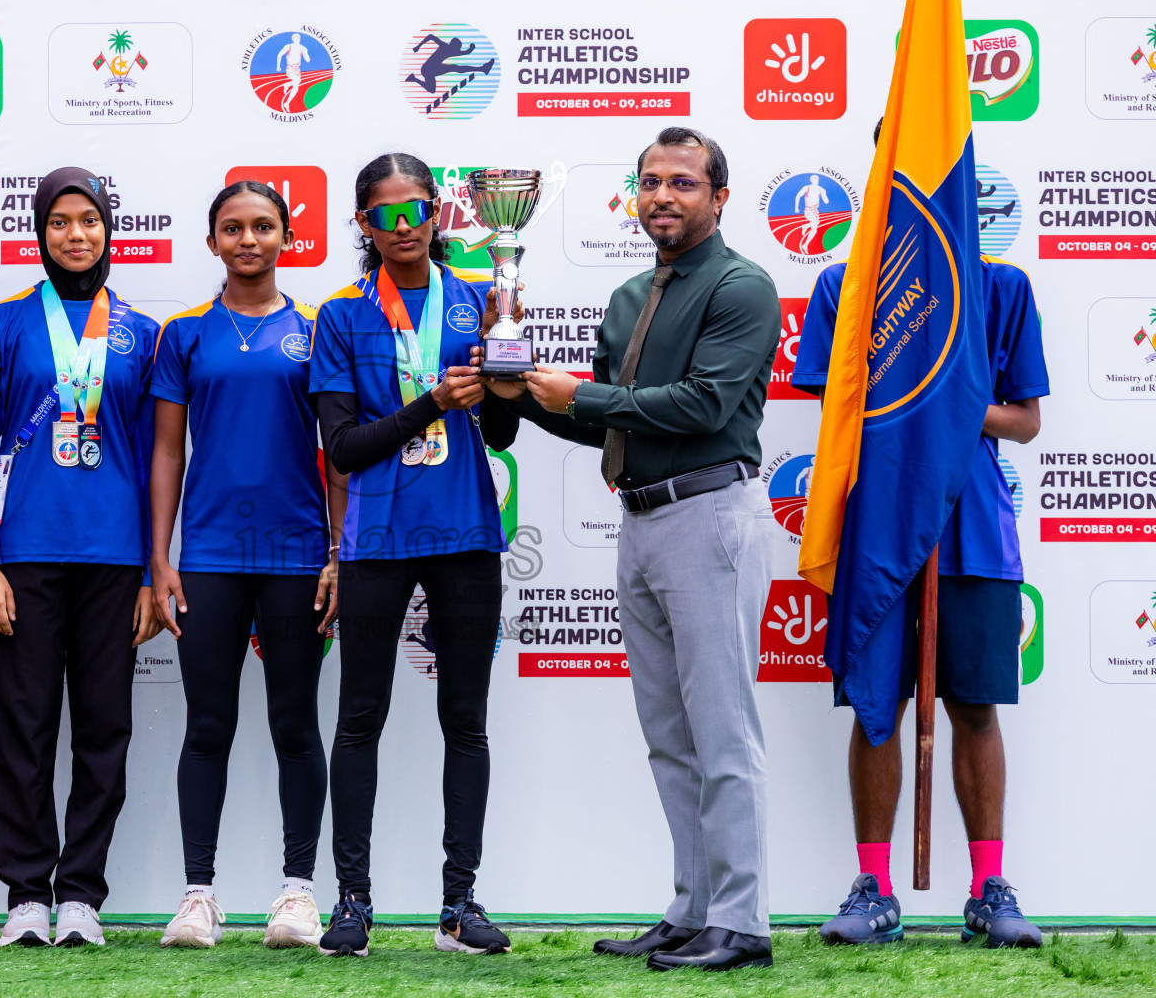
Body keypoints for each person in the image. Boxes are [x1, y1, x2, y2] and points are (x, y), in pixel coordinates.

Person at [507, 127, 781, 971]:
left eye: (683, 183)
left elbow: (700, 406)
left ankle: (742, 923)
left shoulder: (744, 286)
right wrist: (515, 387)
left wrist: (580, 394)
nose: (663, 196)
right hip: (642, 522)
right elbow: (606, 420)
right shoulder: (628, 297)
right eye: (650, 183)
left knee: (724, 732)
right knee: (670, 732)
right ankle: (693, 909)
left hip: (710, 516)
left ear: (719, 197)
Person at [796, 121, 1049, 951]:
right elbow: (831, 411)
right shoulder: (845, 284)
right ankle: (873, 888)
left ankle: (988, 889)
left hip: (972, 530)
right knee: (878, 711)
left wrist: (948, 400)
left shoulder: (1003, 287)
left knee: (974, 708)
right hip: (876, 529)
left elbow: (1023, 420)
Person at [309, 153, 521, 958]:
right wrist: (429, 399)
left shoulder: (478, 302)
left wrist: (504, 373)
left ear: (440, 214)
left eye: (417, 211)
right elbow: (343, 451)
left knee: (465, 720)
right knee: (359, 717)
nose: (404, 227)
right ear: (363, 225)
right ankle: (353, 903)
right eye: (385, 215)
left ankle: (459, 905)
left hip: (466, 533)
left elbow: (499, 436)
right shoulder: (341, 316)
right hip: (376, 538)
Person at [0, 167, 162, 949]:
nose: (75, 235)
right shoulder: (3, 326)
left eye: (88, 221)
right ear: (40, 233)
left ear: (109, 230)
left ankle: (80, 895)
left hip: (113, 561)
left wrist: (152, 571)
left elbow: (155, 459)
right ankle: (24, 893)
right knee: (22, 724)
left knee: (104, 728)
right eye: (59, 223)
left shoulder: (141, 334)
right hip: (23, 558)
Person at [149, 181, 345, 950]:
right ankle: (199, 896)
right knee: (208, 726)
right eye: (233, 228)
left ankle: (298, 894)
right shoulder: (185, 332)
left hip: (297, 557)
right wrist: (160, 561)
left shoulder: (315, 328)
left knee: (295, 724)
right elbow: (167, 451)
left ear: (287, 236)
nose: (248, 240)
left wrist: (336, 551)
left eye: (264, 226)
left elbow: (337, 456)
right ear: (212, 242)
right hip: (208, 559)